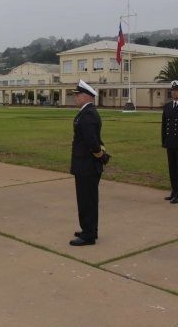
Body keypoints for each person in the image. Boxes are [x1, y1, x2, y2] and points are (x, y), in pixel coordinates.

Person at [69, 80, 110, 246]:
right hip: (85, 163)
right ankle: (89, 229)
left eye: (77, 96)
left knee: (87, 200)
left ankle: (89, 234)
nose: (75, 99)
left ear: (85, 97)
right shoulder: (87, 112)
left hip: (87, 165)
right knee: (87, 199)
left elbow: (91, 141)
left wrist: (100, 156)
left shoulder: (87, 114)